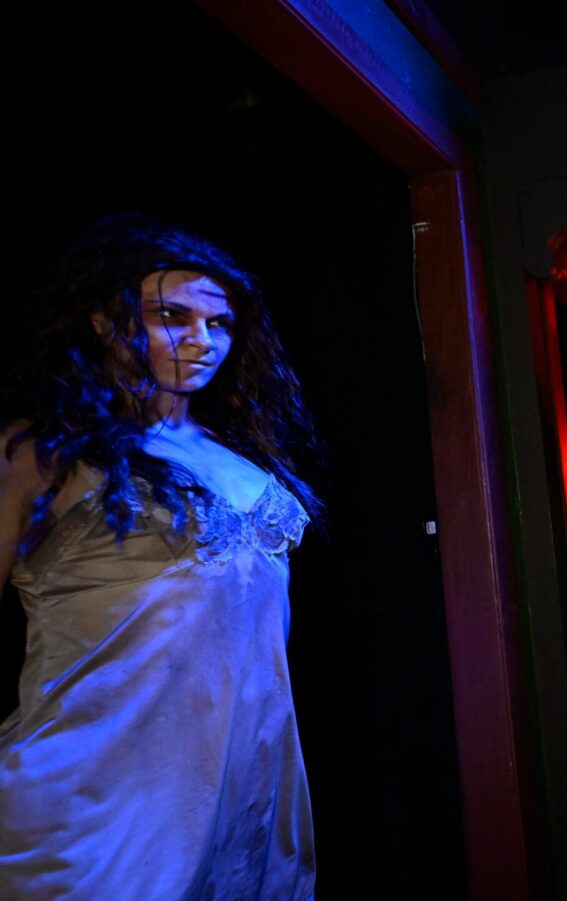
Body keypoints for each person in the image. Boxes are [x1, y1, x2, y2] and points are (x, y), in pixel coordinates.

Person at [0, 218, 320, 899]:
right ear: (105, 321)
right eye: (172, 316)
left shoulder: (245, 457)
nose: (202, 341)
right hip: (94, 802)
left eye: (221, 323)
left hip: (244, 789)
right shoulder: (44, 457)